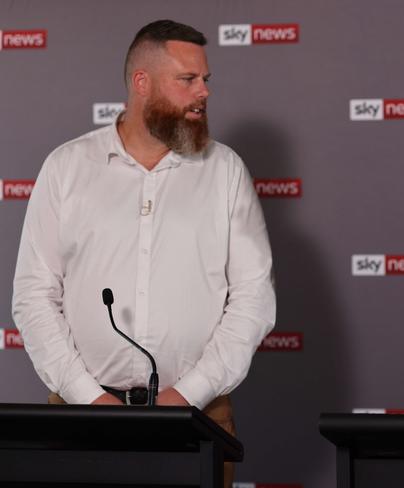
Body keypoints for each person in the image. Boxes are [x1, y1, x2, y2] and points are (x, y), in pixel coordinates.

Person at [12, 20, 275, 487]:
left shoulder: (226, 171)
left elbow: (254, 299)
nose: (204, 93)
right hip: (79, 416)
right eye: (188, 80)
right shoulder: (67, 168)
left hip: (199, 416)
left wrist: (188, 394)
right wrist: (87, 398)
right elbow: (34, 295)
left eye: (206, 80)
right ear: (142, 82)